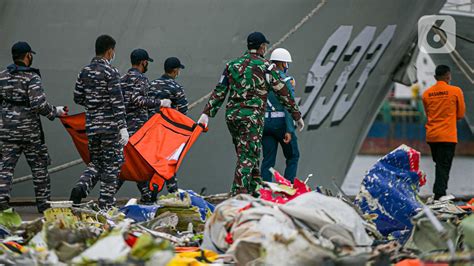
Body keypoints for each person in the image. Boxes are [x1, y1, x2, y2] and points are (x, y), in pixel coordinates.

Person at [197, 32, 304, 196]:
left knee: (248, 154)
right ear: (262, 47)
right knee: (248, 157)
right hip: (251, 119)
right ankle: (237, 196)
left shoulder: (232, 65)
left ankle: (255, 193)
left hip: (232, 118)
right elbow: (283, 92)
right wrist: (296, 116)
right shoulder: (266, 67)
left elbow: (220, 90)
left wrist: (206, 114)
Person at [0, 41, 67, 213]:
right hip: (30, 132)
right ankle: (43, 204)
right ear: (28, 56)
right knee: (39, 167)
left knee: (5, 168)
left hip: (7, 131)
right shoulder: (32, 77)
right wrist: (55, 112)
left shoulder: (3, 76)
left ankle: (2, 200)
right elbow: (38, 104)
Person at [69, 35, 128, 209]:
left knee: (96, 162)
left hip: (92, 127)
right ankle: (106, 205)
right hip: (110, 128)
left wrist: (94, 104)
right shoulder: (111, 72)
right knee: (112, 166)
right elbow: (118, 102)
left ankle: (81, 187)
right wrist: (123, 127)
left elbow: (77, 97)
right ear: (110, 51)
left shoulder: (84, 71)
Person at [116, 49, 171, 204]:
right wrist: (160, 103)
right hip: (137, 129)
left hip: (123, 128)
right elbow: (137, 99)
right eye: (147, 62)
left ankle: (145, 195)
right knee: (139, 165)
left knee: (127, 164)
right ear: (143, 62)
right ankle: (148, 196)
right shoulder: (141, 79)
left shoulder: (122, 79)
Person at [422, 65, 465, 200]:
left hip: (432, 136)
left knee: (439, 164)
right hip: (447, 136)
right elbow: (461, 114)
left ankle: (439, 193)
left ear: (435, 77)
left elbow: (428, 113)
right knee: (444, 165)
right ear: (448, 76)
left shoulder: (426, 94)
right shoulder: (456, 91)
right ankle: (439, 195)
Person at [149, 57, 187, 193]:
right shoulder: (176, 87)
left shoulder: (152, 85)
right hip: (167, 132)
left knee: (151, 162)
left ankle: (150, 193)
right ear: (175, 70)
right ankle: (173, 192)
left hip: (150, 130)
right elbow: (183, 111)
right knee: (168, 162)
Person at [261, 48, 300, 182]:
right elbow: (288, 105)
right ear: (283, 64)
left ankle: (264, 191)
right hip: (281, 124)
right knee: (293, 156)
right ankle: (287, 188)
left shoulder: (263, 79)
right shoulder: (286, 79)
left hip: (265, 124)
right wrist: (290, 129)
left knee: (268, 160)